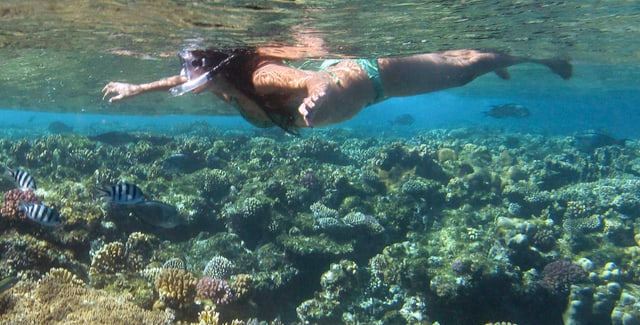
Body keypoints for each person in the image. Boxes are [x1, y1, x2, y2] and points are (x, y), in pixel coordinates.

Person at [102, 48, 571, 133]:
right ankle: (498, 62)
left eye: (198, 81)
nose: (192, 86)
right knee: (460, 70)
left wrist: (315, 93)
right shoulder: (217, 85)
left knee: (464, 67)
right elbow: (177, 80)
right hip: (367, 95)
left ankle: (528, 58)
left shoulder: (261, 78)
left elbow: (313, 79)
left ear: (219, 73)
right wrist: (136, 87)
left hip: (372, 78)